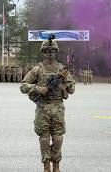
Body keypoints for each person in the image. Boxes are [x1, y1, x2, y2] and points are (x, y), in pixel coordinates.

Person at [20, 36, 75, 172]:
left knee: (58, 138)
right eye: (46, 51)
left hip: (57, 107)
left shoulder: (62, 69)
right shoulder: (37, 69)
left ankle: (56, 166)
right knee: (44, 139)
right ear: (42, 52)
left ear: (56, 52)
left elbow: (72, 89)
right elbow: (23, 86)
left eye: (52, 51)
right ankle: (46, 166)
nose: (49, 54)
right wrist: (38, 89)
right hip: (42, 107)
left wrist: (62, 85)